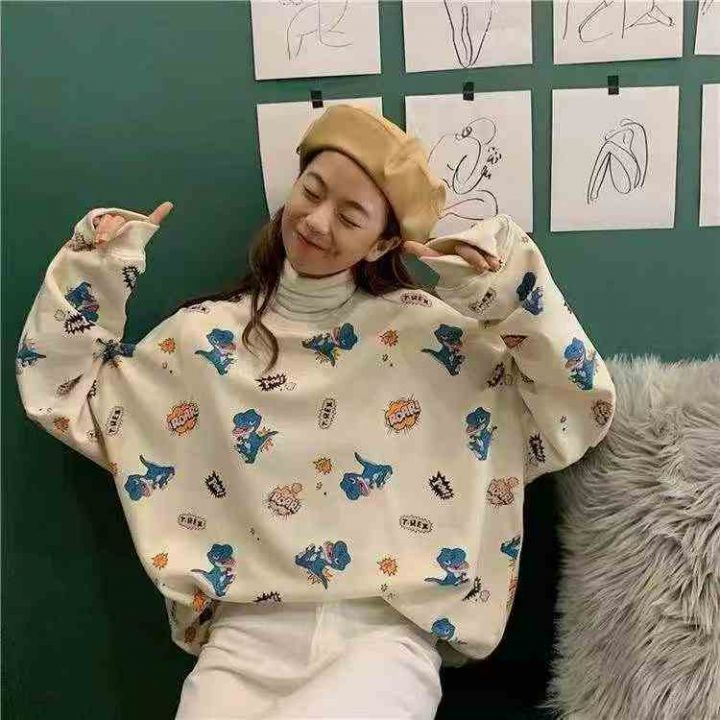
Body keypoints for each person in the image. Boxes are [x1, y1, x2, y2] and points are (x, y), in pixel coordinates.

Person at [16, 104, 616, 719]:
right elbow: (62, 391)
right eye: (311, 190)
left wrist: (506, 288)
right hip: (240, 638)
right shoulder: (201, 341)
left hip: (383, 639)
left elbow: (577, 404)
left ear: (383, 242)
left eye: (350, 216)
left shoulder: (435, 341)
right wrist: (97, 266)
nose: (316, 220)